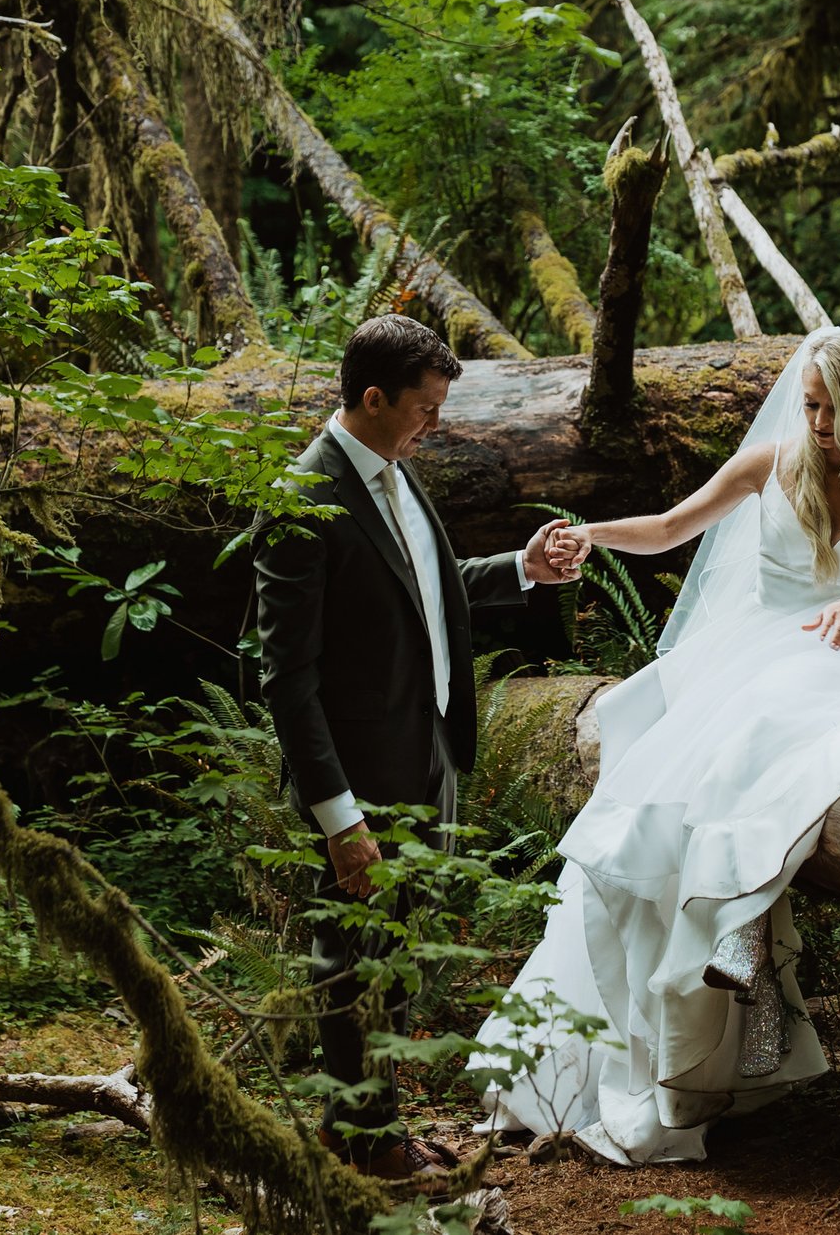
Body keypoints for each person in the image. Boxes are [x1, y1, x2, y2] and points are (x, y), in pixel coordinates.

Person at [472, 325, 840, 1164]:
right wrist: (587, 535)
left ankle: (743, 926)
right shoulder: (771, 464)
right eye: (809, 407)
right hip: (753, 657)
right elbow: (668, 528)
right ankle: (735, 937)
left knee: (795, 720)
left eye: (835, 413)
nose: (818, 427)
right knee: (738, 738)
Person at [253, 314, 583, 1179]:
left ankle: (374, 1124)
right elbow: (287, 679)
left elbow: (428, 590)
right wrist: (337, 817)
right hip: (362, 780)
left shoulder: (394, 474)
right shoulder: (302, 499)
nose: (436, 424)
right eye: (425, 408)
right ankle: (360, 1143)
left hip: (428, 749)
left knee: (395, 960)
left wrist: (522, 568)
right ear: (372, 398)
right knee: (352, 956)